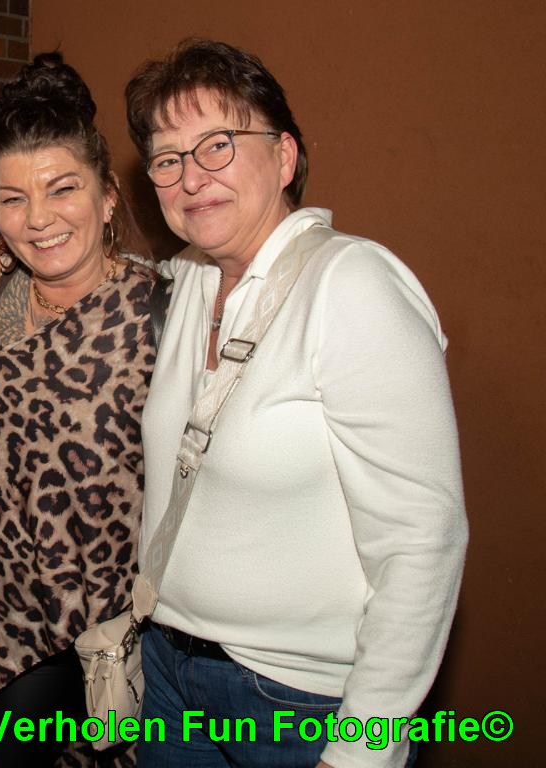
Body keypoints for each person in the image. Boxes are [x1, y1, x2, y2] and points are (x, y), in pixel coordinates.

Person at [122, 39, 468, 767]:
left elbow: (422, 542)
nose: (192, 176)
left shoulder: (351, 286)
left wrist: (363, 749)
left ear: (284, 157)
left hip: (295, 703)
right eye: (168, 158)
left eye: (218, 144)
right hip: (169, 673)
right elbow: (88, 274)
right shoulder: (189, 282)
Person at [0, 53, 155, 768]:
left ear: (108, 197)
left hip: (97, 624)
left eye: (63, 189)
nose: (39, 219)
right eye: (14, 199)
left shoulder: (159, 310)